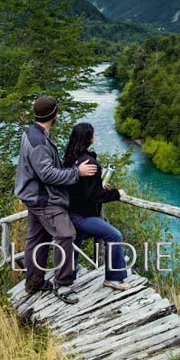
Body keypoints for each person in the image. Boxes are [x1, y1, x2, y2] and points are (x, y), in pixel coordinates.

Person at [14, 95, 98, 304]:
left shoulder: (32, 132)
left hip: (32, 196)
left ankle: (34, 282)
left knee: (37, 239)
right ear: (54, 114)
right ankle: (63, 284)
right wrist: (76, 172)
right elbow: (48, 174)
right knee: (66, 234)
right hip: (44, 199)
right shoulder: (40, 142)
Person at [64, 122, 130, 291]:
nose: (95, 136)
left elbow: (82, 187)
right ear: (88, 138)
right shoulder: (89, 162)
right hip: (82, 215)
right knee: (114, 236)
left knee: (76, 242)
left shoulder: (72, 158)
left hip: (70, 211)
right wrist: (117, 193)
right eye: (93, 133)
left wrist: (98, 184)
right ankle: (113, 279)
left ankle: (68, 275)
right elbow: (94, 195)